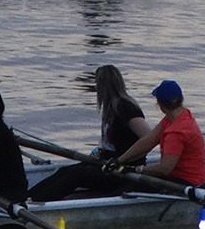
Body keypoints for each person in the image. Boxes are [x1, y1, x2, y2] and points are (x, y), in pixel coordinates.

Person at [28, 65, 153, 202]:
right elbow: (109, 141)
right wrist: (100, 150)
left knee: (75, 175)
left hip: (121, 170)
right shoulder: (110, 108)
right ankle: (26, 196)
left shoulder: (126, 108)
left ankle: (36, 202)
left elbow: (150, 138)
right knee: (64, 171)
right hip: (106, 161)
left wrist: (124, 159)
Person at [109, 80, 205, 187]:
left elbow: (164, 169)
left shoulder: (176, 132)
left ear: (160, 105)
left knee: (128, 187)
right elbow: (148, 141)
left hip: (188, 183)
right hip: (178, 177)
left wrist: (136, 169)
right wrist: (119, 160)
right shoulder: (180, 115)